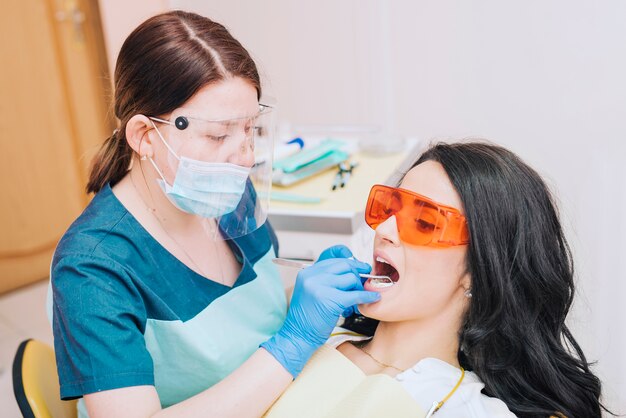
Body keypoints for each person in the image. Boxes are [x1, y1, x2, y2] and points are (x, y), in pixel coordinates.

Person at [49, 10, 380, 418]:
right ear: (144, 136)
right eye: (219, 135)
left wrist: (310, 294)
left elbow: (242, 313)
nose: (244, 158)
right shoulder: (92, 267)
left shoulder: (226, 196)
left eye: (250, 129)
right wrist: (291, 343)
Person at [264, 142, 611, 418]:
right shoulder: (305, 341)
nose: (383, 231)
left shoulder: (471, 410)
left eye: (424, 223)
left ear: (478, 268)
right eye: (389, 208)